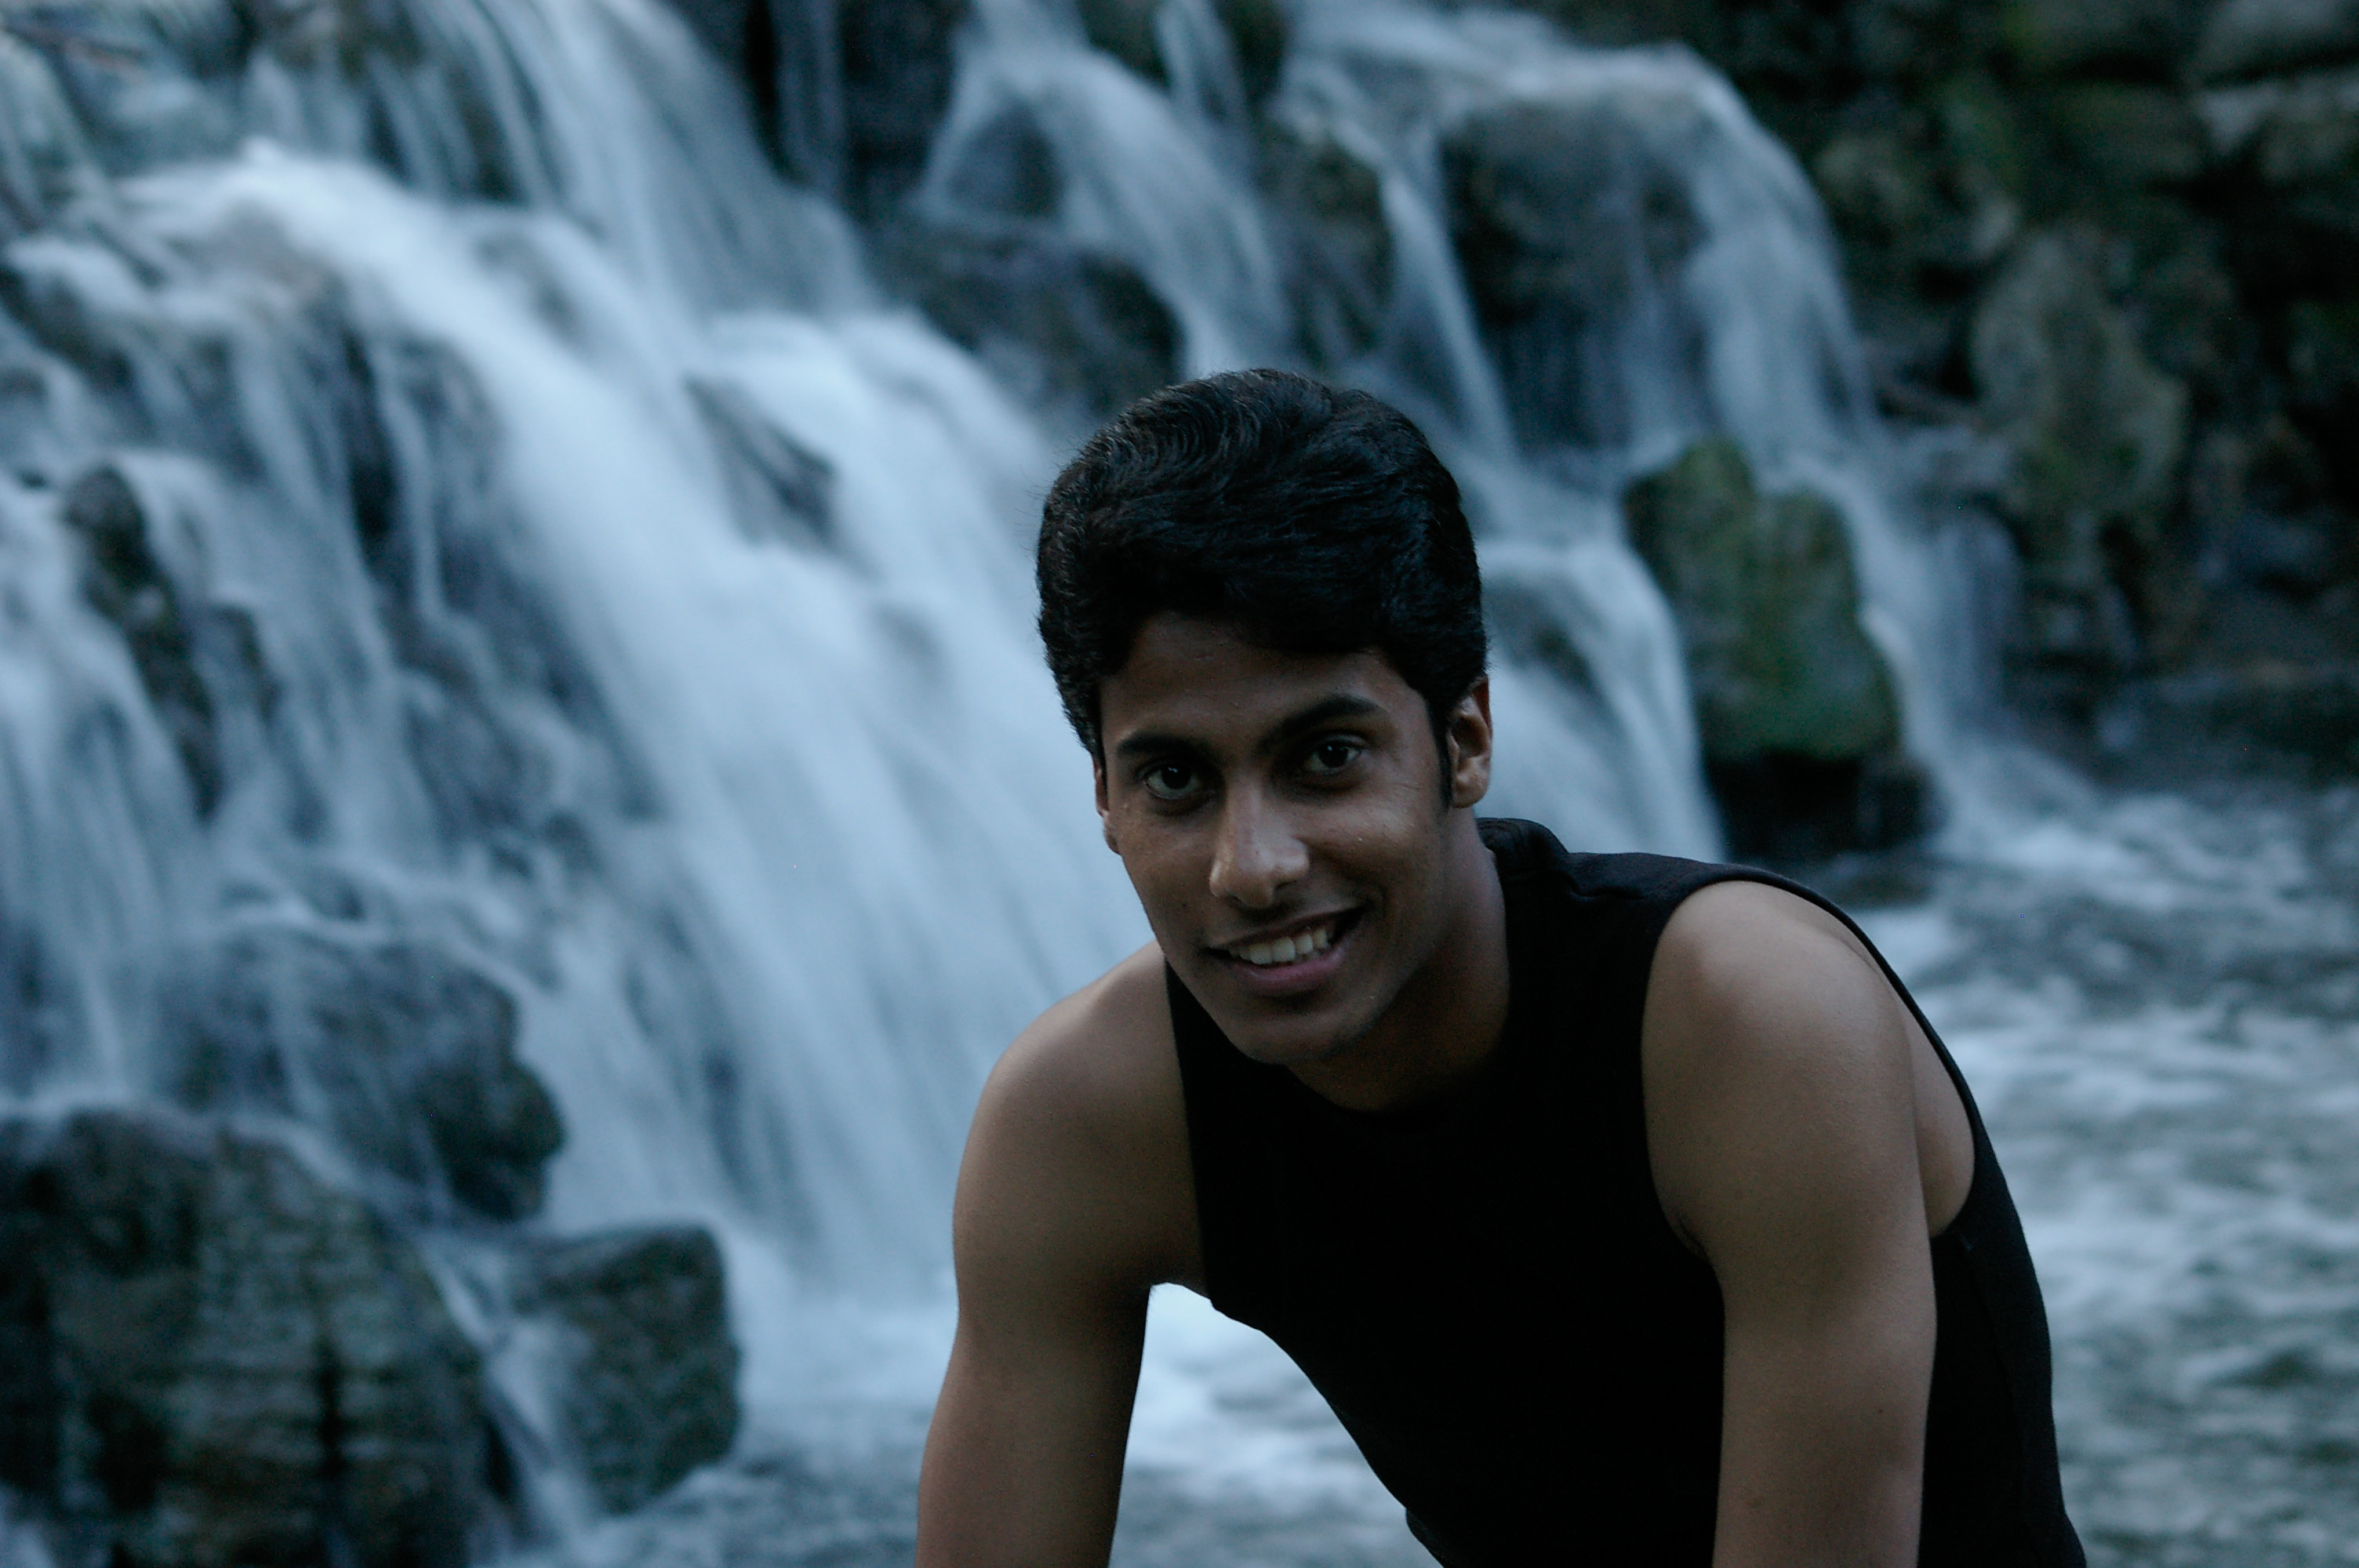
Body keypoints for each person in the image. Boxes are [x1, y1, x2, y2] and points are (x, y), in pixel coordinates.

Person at [914, 369, 2082, 1566]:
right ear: (1105, 798)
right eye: (1175, 780)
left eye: (1326, 757)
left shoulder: (1752, 1027)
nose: (1251, 867)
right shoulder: (1086, 1122)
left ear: (1465, 739)